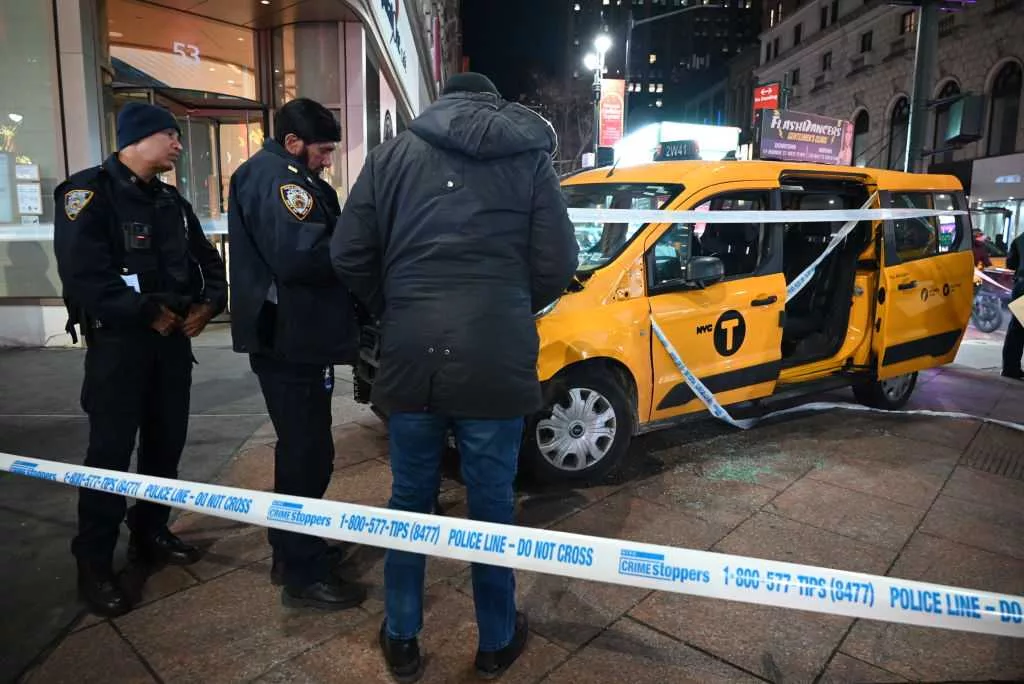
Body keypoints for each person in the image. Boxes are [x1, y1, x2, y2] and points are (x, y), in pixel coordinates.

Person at [331, 72, 578, 681]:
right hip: (495, 351)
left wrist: (398, 306)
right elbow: (559, 261)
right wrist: (511, 304)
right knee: (492, 500)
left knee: (409, 497)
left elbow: (348, 254)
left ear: (439, 104)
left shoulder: (390, 157)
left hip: (412, 352)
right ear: (492, 105)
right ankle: (495, 641)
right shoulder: (528, 159)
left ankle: (404, 635)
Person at [53, 102, 228, 617]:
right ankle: (93, 563)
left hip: (172, 344)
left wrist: (209, 304)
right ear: (136, 140)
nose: (177, 144)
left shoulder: (171, 201)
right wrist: (144, 313)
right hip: (120, 347)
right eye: (169, 135)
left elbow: (208, 261)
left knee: (164, 446)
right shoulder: (87, 194)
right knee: (108, 457)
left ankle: (150, 532)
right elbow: (84, 274)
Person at [227, 97, 366, 610]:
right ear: (292, 142)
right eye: (322, 150)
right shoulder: (277, 179)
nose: (326, 160)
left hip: (298, 338)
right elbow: (301, 254)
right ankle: (300, 573)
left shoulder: (286, 176)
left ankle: (292, 546)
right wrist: (357, 247)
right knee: (307, 453)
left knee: (306, 451)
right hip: (290, 340)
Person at [1002, 231, 1024, 380]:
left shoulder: (1019, 239)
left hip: (1022, 286)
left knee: (1017, 329)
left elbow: (1010, 264)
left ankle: (1010, 368)